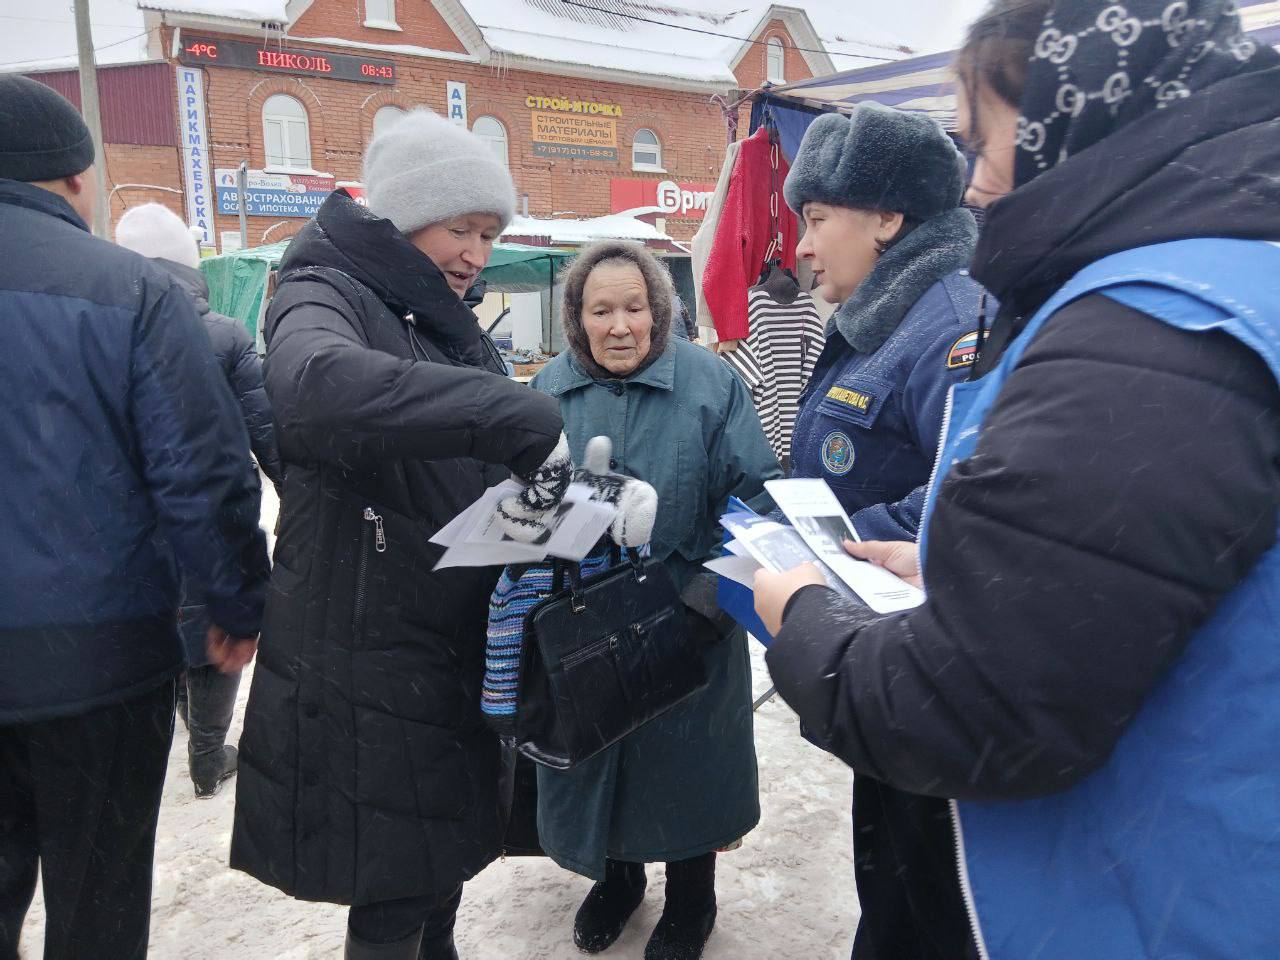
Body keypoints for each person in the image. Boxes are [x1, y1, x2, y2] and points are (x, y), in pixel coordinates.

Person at [755, 1, 1280, 958]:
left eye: (988, 140)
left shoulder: (1151, 326)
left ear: (1078, 111)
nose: (981, 183)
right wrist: (961, 566)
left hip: (1147, 894)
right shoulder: (1211, 277)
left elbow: (979, 707)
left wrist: (805, 616)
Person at [229, 109, 570, 960]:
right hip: (364, 657)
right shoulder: (322, 291)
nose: (477, 255)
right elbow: (315, 385)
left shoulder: (435, 315)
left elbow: (452, 465)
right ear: (405, 215)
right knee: (394, 885)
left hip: (439, 644)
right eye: (462, 228)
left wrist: (574, 503)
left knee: (440, 864)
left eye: (490, 234)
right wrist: (512, 414)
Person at [0, 75, 269, 960]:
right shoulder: (126, 291)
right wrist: (235, 605)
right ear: (78, 180)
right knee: (99, 899)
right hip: (100, 664)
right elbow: (202, 467)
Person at [530, 240, 782, 960]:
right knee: (599, 754)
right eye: (600, 309)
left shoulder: (710, 385)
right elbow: (522, 500)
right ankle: (617, 881)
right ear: (577, 318)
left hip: (688, 625)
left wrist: (707, 605)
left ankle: (692, 899)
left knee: (686, 769)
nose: (619, 326)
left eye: (634, 308)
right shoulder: (547, 391)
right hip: (582, 630)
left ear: (659, 312)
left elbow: (761, 506)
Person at [115, 201, 284, 798]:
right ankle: (209, 755)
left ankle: (194, 737)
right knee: (216, 625)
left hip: (132, 526)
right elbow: (264, 430)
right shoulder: (225, 335)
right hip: (213, 515)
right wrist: (297, 495)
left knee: (170, 629)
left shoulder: (106, 324)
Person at [785, 103, 983, 541]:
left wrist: (829, 552)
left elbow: (970, 502)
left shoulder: (955, 331)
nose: (803, 247)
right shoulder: (879, 320)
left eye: (817, 220)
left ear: (887, 218)